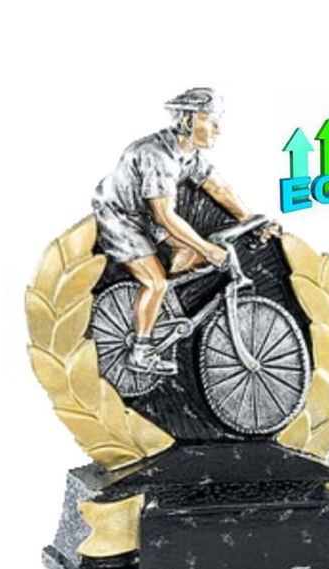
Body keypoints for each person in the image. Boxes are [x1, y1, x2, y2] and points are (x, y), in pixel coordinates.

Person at [92, 88, 254, 375]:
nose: (218, 128)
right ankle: (140, 351)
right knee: (156, 282)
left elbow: (217, 188)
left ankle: (165, 309)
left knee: (189, 255)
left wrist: (250, 218)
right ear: (188, 120)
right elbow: (164, 215)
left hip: (143, 216)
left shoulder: (188, 154)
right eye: (211, 119)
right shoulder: (157, 156)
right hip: (120, 218)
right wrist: (207, 249)